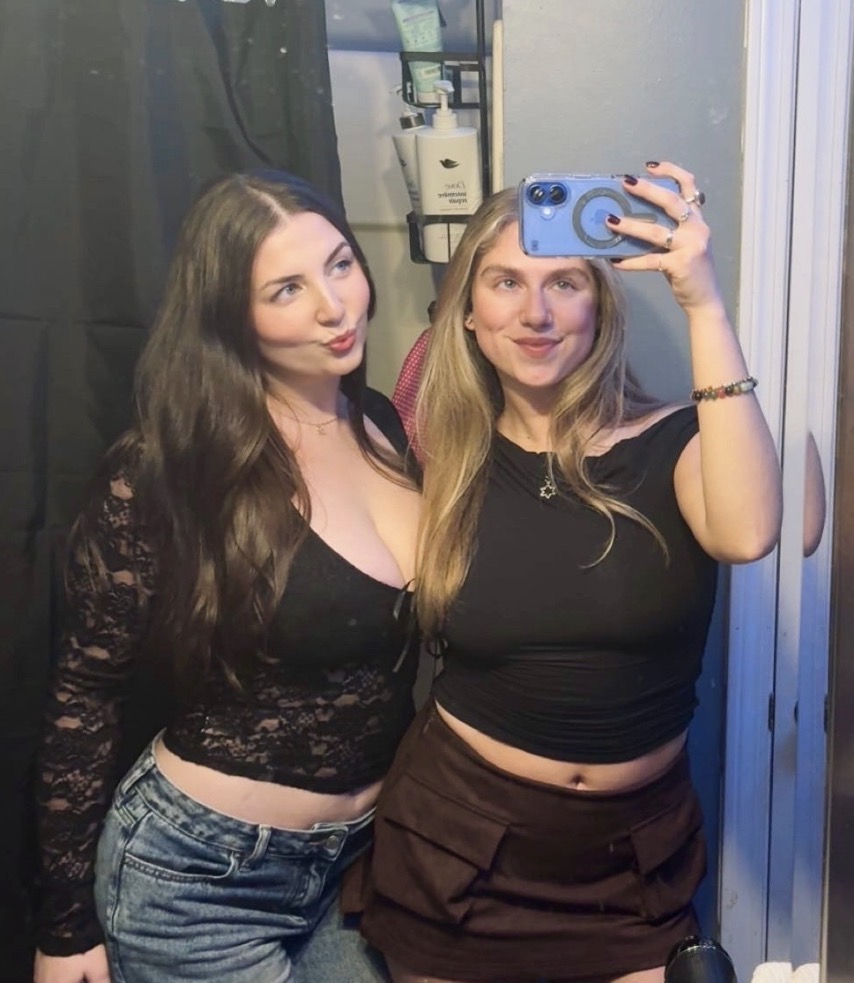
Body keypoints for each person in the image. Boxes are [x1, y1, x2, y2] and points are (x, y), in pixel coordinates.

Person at [350, 162, 783, 983]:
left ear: (600, 307)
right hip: (455, 857)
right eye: (506, 282)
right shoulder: (439, 459)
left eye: (565, 283)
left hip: (632, 871)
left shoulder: (678, 442)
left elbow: (749, 530)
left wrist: (703, 303)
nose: (536, 313)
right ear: (468, 313)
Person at [34, 170, 421, 983]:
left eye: (340, 264)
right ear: (229, 315)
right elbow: (85, 694)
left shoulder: (381, 421)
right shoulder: (169, 468)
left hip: (356, 865)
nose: (335, 306)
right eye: (287, 289)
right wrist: (63, 928)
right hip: (198, 880)